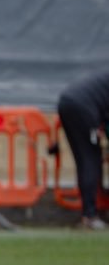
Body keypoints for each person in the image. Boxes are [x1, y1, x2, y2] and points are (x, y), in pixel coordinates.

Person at [56, 70, 109, 230]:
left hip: (68, 102)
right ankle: (90, 216)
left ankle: (90, 213)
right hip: (83, 107)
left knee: (86, 158)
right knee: (90, 159)